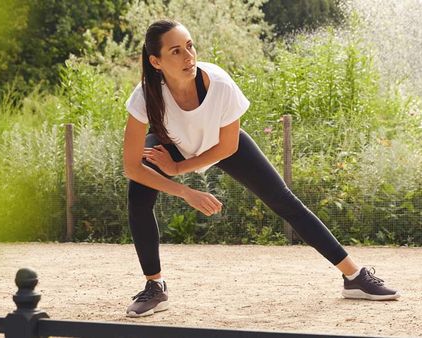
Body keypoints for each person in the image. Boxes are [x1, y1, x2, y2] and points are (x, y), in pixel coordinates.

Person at [123, 19, 399, 318]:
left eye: (190, 46)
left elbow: (227, 148)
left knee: (284, 200)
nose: (188, 56)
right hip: (170, 143)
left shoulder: (220, 84)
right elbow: (131, 167)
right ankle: (155, 287)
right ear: (156, 61)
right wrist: (184, 191)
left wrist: (178, 169)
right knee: (138, 197)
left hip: (219, 141)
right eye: (175, 51)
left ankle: (354, 276)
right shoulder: (145, 96)